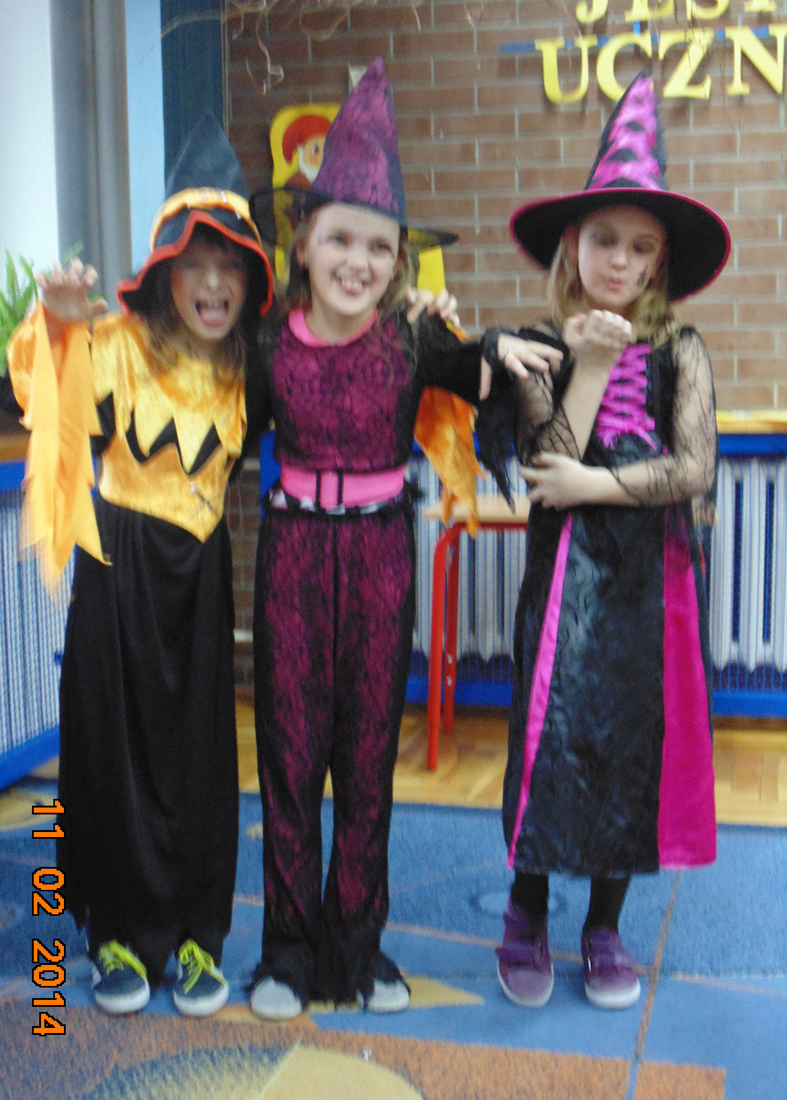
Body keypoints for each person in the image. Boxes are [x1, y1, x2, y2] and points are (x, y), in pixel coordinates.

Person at [244, 58, 556, 1022]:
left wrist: (499, 346)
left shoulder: (413, 341)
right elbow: (206, 422)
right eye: (339, 239)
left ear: (397, 263)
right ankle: (287, 954)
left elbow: (480, 368)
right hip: (291, 563)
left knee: (368, 759)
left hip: (381, 562)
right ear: (303, 244)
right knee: (289, 760)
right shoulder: (266, 347)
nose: (358, 263)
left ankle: (356, 947)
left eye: (379, 248)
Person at [7, 113, 276, 1017]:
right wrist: (58, 327)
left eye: (230, 264)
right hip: (115, 575)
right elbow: (44, 404)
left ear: (249, 278)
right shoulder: (118, 344)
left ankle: (196, 936)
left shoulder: (248, 368)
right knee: (107, 752)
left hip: (199, 583)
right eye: (196, 263)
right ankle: (111, 933)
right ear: (165, 271)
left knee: (199, 763)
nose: (213, 283)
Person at [475, 72, 730, 1011]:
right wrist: (586, 362)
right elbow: (549, 460)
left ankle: (603, 925)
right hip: (563, 591)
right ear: (573, 247)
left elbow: (691, 465)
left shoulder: (682, 352)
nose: (619, 260)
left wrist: (599, 487)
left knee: (631, 746)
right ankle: (526, 911)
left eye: (639, 246)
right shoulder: (538, 350)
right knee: (550, 738)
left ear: (659, 262)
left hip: (648, 592)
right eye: (603, 240)